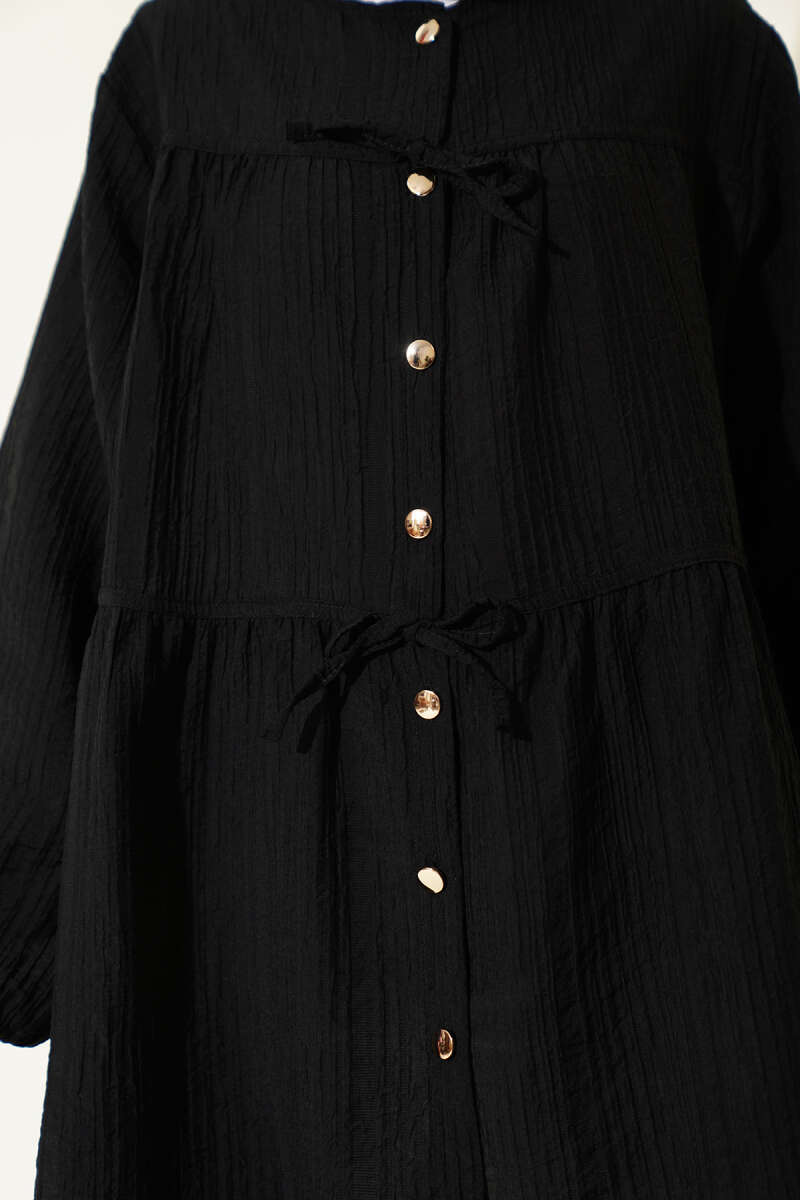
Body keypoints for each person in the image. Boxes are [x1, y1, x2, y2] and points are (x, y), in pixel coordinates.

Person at [1, 0, 799, 1196]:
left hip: (636, 905)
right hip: (249, 920)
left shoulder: (698, 58)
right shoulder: (189, 68)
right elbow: (68, 496)